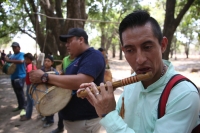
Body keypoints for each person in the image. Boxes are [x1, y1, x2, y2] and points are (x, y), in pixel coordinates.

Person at [78, 10, 200, 133]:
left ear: (163, 45)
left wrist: (108, 115)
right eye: (130, 50)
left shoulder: (184, 94)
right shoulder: (131, 84)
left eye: (147, 47)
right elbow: (118, 121)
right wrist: (100, 102)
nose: (140, 60)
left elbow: (112, 120)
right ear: (124, 51)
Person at [29, 28, 105, 133]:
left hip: (85, 120)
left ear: (81, 40)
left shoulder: (94, 55)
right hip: (75, 120)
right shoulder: (78, 58)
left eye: (69, 41)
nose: (66, 45)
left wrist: (45, 77)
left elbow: (81, 82)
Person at [51, 54, 75, 133]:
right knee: (61, 109)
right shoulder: (65, 59)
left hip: (75, 89)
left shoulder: (80, 58)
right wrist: (60, 73)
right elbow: (64, 71)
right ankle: (60, 127)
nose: (68, 45)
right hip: (64, 88)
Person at [5, 42, 26, 112]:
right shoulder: (12, 56)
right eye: (13, 47)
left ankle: (23, 107)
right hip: (13, 77)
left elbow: (21, 61)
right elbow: (8, 63)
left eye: (15, 47)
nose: (14, 49)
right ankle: (20, 106)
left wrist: (9, 60)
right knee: (16, 92)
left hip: (20, 76)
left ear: (19, 48)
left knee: (20, 91)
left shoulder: (22, 54)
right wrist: (6, 60)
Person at [40, 55, 59, 128]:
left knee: (50, 106)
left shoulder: (54, 71)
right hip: (43, 90)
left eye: (48, 61)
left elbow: (57, 79)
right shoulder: (41, 70)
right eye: (45, 61)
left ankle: (50, 120)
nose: (46, 62)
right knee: (44, 104)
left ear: (52, 63)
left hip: (51, 91)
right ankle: (46, 116)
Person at [20, 53, 37, 121]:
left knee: (30, 101)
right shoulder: (31, 65)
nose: (25, 60)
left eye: (26, 59)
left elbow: (30, 72)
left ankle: (28, 116)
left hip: (30, 85)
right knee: (32, 100)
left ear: (29, 59)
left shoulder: (29, 65)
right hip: (31, 84)